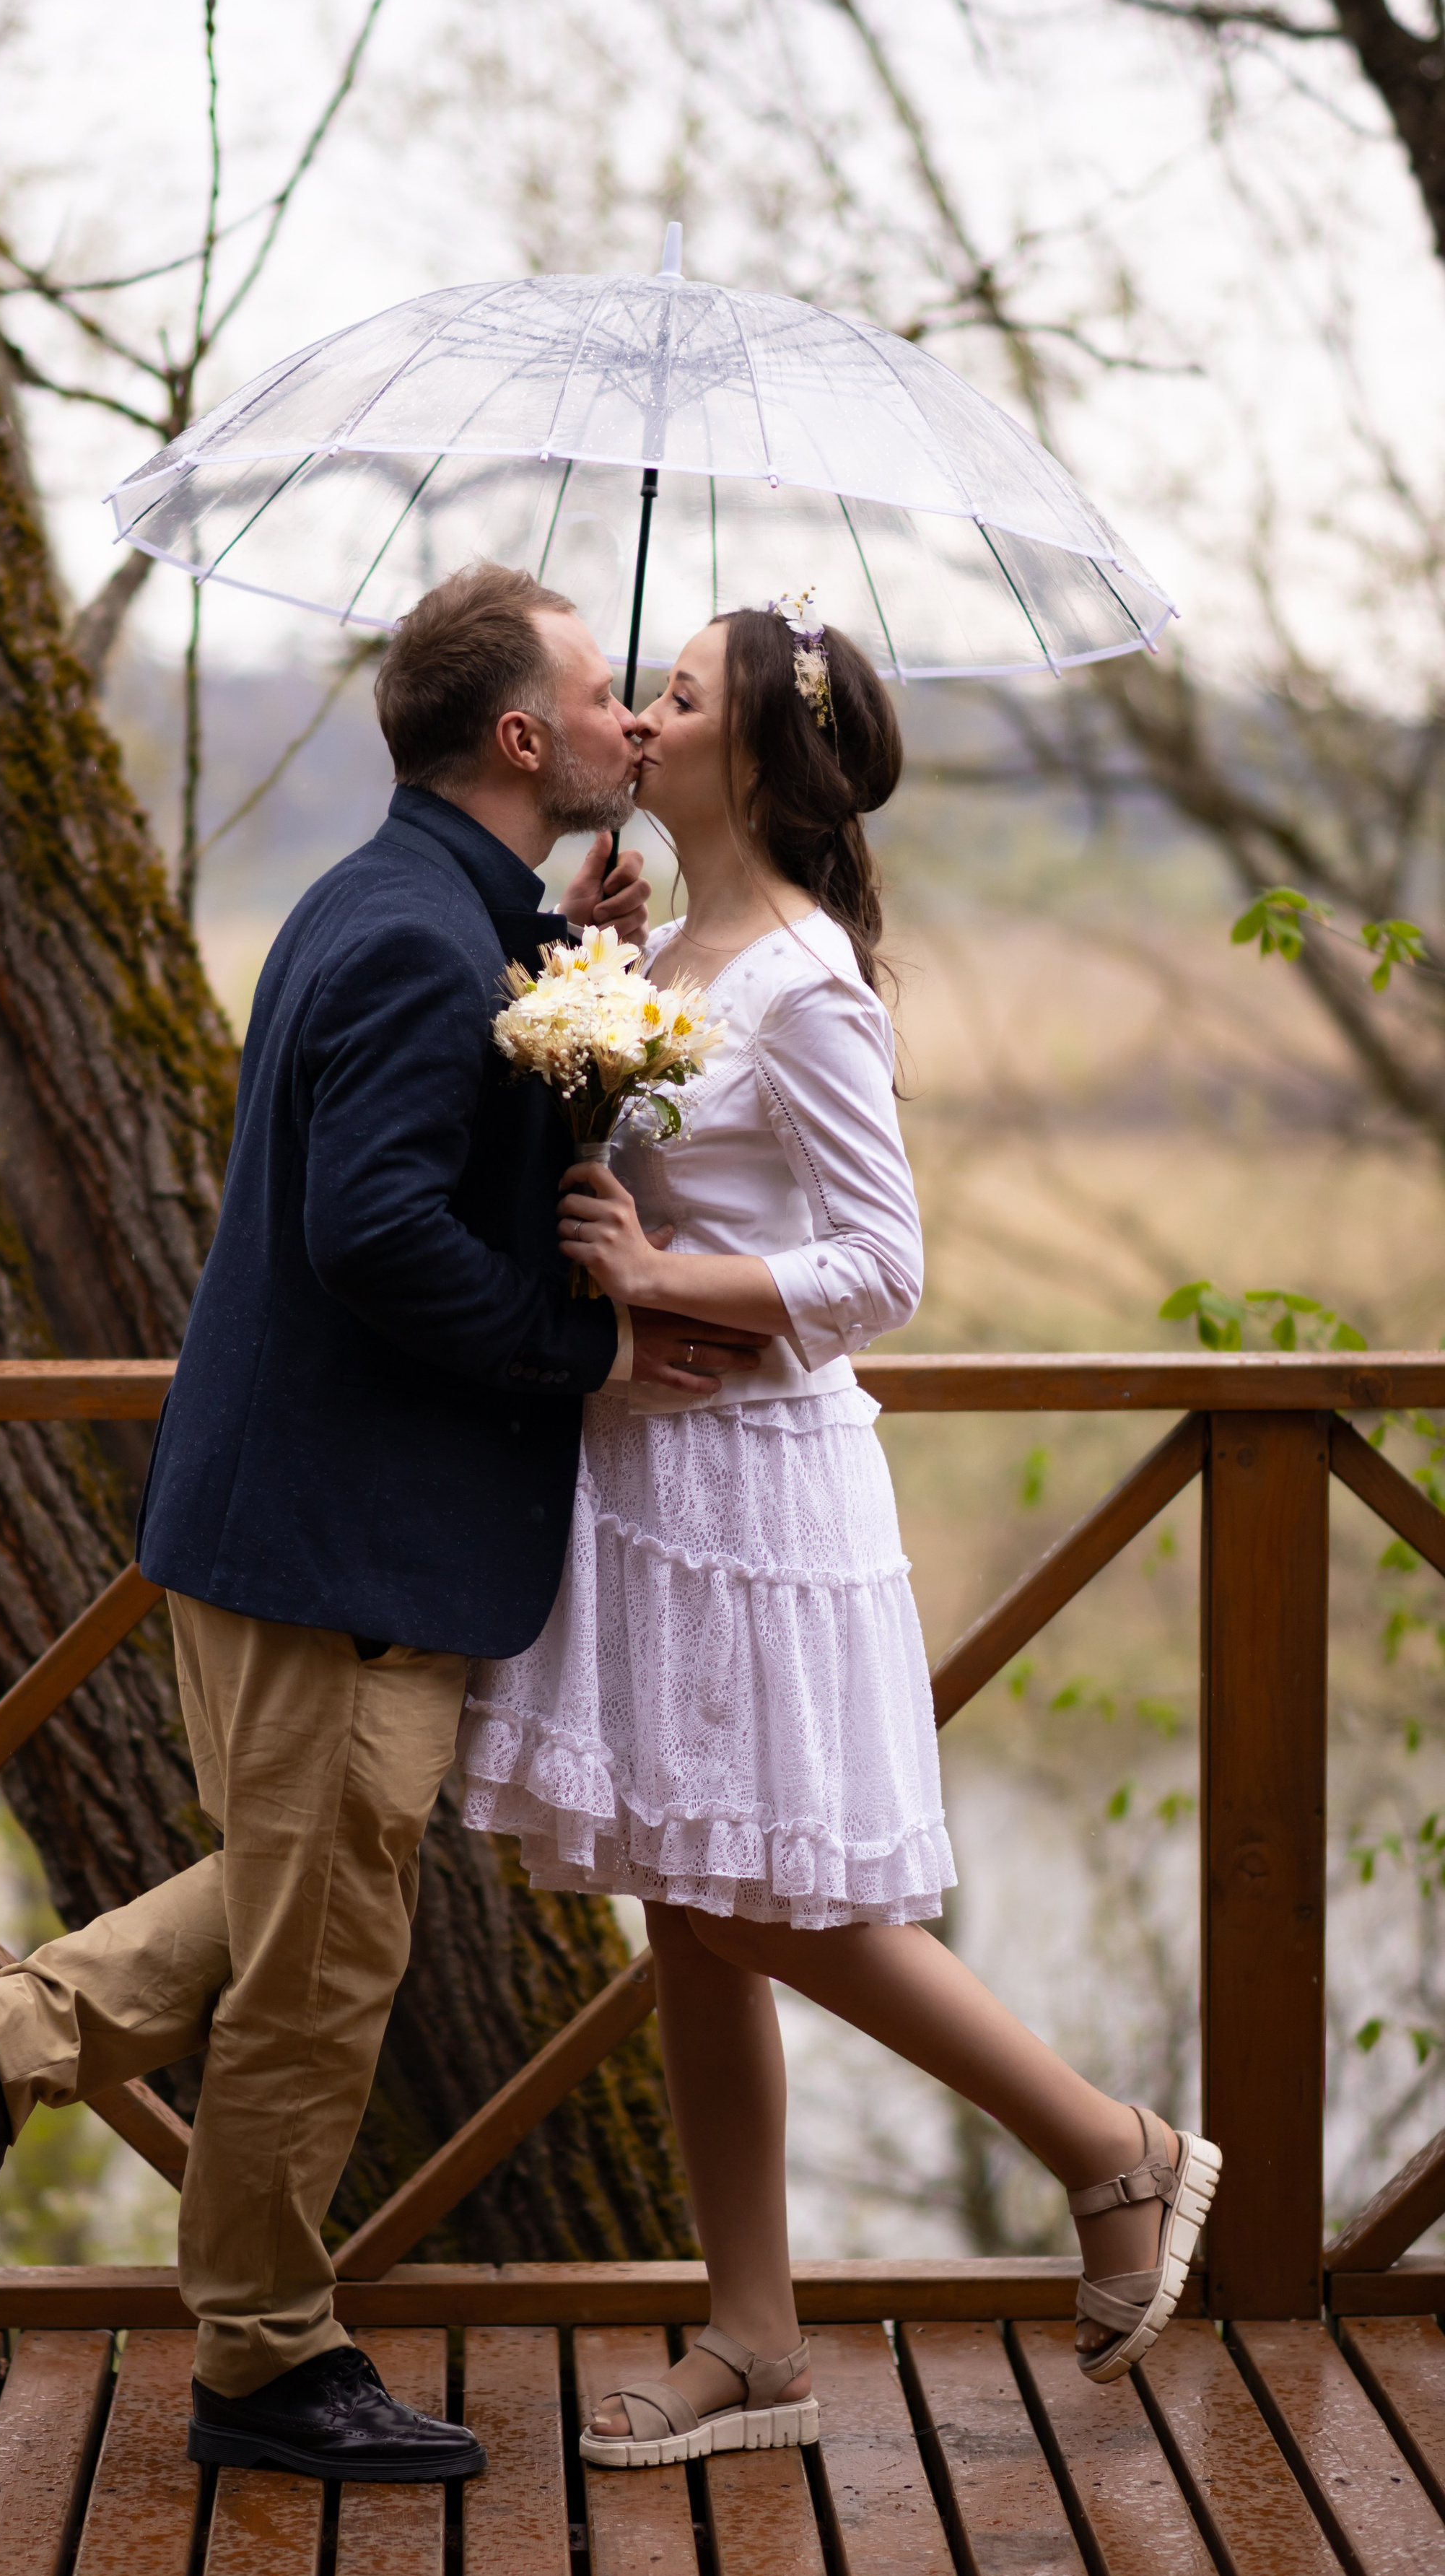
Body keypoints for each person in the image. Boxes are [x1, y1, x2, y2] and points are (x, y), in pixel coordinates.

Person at [0, 563, 773, 2485]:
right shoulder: (414, 942)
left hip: (322, 1534)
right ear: (518, 734)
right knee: (324, 1972)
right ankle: (264, 2361)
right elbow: (376, 1234)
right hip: (335, 1546)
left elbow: (435, 1133)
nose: (628, 720)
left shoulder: (431, 910)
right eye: (599, 692)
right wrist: (591, 1344)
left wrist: (569, 949)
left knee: (310, 1903)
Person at [459, 603, 1222, 2468]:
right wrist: (587, 973)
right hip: (646, 1473)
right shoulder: (664, 946)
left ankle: (1110, 2147)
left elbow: (884, 1266)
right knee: (691, 1917)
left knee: (766, 1899)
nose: (645, 717)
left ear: (758, 756)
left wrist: (663, 1274)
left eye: (680, 696)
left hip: (758, 1489)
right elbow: (642, 1165)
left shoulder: (806, 982)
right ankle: (756, 2342)